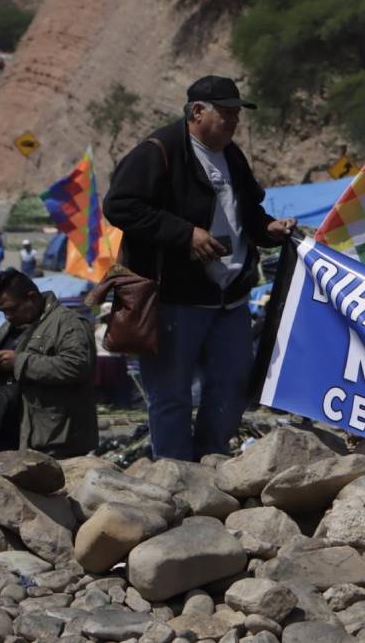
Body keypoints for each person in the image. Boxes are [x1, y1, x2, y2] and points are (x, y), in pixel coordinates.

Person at [103, 75, 298, 461]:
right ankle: (175, 472)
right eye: (225, 113)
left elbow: (246, 212)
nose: (233, 121)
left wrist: (268, 229)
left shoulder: (231, 155)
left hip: (230, 297)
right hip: (176, 297)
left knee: (231, 386)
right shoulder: (159, 151)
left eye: (236, 114)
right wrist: (184, 234)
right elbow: (120, 206)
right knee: (171, 394)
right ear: (197, 112)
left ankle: (210, 460)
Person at [0, 269, 98, 457]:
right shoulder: (9, 327)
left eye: (12, 309)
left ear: (31, 298)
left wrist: (18, 362)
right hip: (3, 431)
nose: (7, 316)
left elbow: (77, 366)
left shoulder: (68, 324)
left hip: (49, 436)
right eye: (3, 311)